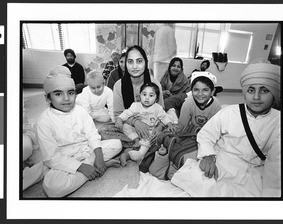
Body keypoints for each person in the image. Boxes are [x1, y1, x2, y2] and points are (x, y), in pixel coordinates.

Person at [171, 60, 281, 197]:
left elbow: (276, 164)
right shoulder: (229, 112)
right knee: (196, 180)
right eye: (251, 90)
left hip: (252, 172)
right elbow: (206, 135)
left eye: (264, 90)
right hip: (220, 162)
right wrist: (208, 156)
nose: (256, 97)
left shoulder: (280, 122)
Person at [35, 65, 122, 197]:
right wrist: (81, 167)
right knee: (52, 188)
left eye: (70, 93)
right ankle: (96, 168)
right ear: (47, 98)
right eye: (58, 94)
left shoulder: (80, 110)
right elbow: (52, 158)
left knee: (117, 144)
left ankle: (96, 166)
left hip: (86, 150)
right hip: (64, 157)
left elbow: (92, 134)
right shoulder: (43, 121)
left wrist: (98, 156)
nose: (66, 98)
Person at [149, 72, 222, 179]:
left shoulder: (216, 105)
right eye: (196, 90)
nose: (200, 94)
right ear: (191, 91)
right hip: (191, 133)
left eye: (205, 90)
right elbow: (182, 125)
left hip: (207, 135)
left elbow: (216, 130)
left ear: (212, 92)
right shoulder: (188, 103)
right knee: (170, 139)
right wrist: (171, 131)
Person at [113, 45, 172, 143]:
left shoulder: (155, 84)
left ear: (146, 63)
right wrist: (136, 122)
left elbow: (161, 112)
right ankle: (142, 144)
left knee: (170, 131)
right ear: (126, 64)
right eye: (130, 62)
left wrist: (159, 128)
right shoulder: (119, 85)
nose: (135, 66)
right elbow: (118, 115)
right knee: (103, 131)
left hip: (152, 123)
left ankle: (141, 144)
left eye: (139, 61)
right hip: (129, 126)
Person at [115, 82, 177, 166]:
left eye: (151, 95)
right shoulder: (135, 106)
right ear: (139, 95)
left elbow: (164, 117)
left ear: (156, 99)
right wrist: (119, 119)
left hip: (150, 130)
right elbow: (126, 113)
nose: (147, 98)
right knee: (125, 127)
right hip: (136, 131)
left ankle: (141, 153)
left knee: (152, 137)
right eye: (144, 94)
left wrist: (170, 124)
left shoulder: (157, 108)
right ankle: (136, 140)